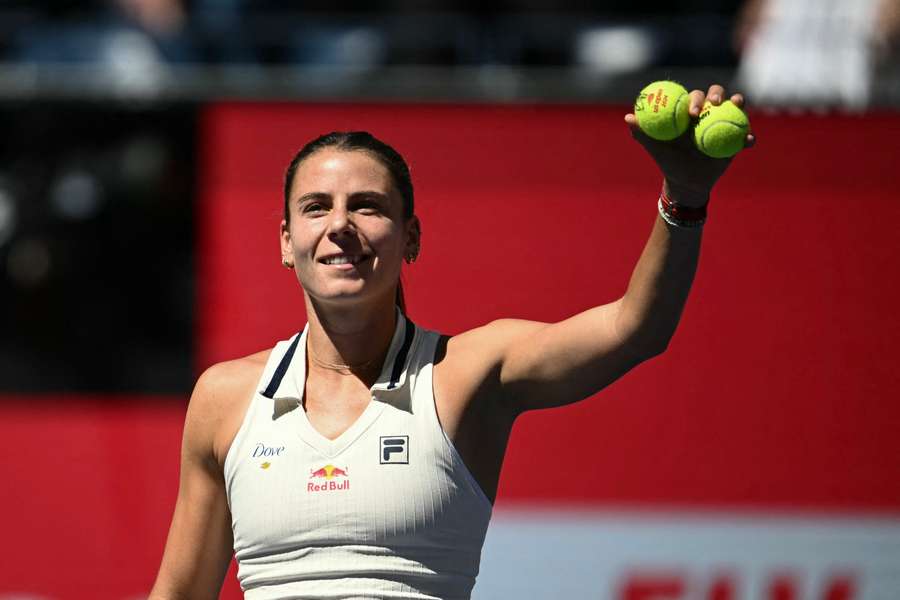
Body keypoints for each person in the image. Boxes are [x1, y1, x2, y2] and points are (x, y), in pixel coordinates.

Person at [149, 84, 755, 600]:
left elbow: (634, 329)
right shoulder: (225, 397)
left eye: (367, 207)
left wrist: (685, 197)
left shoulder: (469, 370)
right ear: (287, 242)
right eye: (316, 208)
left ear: (410, 238)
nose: (340, 226)